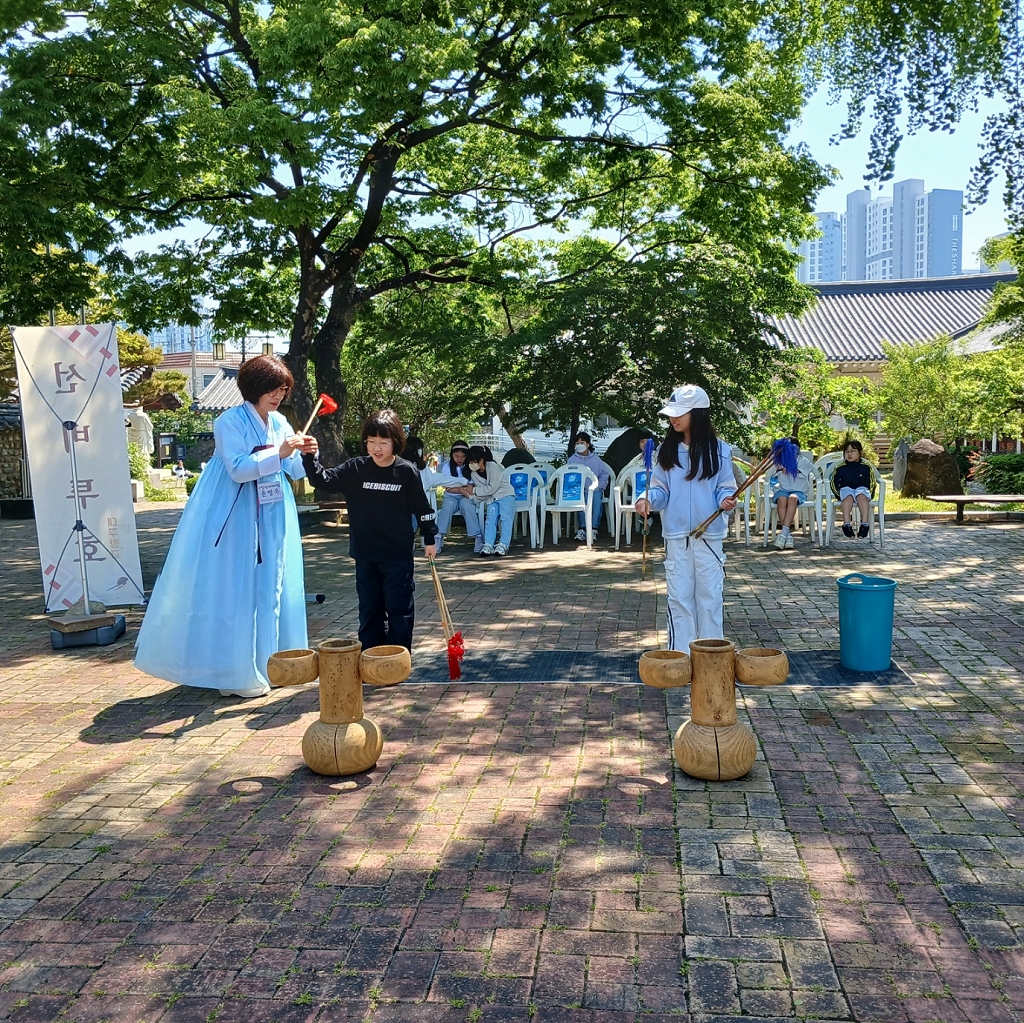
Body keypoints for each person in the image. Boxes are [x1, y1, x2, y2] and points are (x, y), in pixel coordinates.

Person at [134, 355, 316, 698]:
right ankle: (235, 671)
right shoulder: (229, 421)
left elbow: (293, 470)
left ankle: (275, 664)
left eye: (282, 390)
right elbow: (238, 469)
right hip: (236, 512)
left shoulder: (280, 422)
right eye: (272, 389)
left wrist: (305, 454)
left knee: (273, 584)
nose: (278, 396)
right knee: (237, 585)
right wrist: (279, 453)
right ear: (254, 388)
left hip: (274, 511)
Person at [301, 410, 437, 650]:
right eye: (371, 441)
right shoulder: (356, 468)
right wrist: (309, 457)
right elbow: (324, 480)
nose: (377, 448)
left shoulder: (406, 471)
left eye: (383, 442)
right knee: (369, 610)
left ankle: (397, 658)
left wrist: (429, 538)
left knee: (399, 609)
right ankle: (371, 657)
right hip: (365, 554)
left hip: (397, 556)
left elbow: (422, 508)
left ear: (395, 441)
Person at [634, 385, 737, 652]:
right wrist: (647, 500)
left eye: (680, 412)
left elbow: (725, 486)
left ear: (698, 414)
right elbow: (660, 489)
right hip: (677, 536)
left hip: (709, 536)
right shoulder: (666, 450)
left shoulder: (720, 450)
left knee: (710, 597)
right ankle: (680, 657)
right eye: (672, 413)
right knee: (679, 598)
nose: (673, 418)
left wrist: (726, 501)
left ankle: (713, 658)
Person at [404, 435, 470, 554]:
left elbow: (443, 479)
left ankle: (408, 541)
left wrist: (463, 481)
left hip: (415, 507)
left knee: (414, 512)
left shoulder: (423, 469)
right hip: (401, 507)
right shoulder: (400, 466)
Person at [434, 440, 484, 554]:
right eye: (456, 456)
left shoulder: (471, 466)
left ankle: (477, 535)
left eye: (462, 456)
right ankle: (438, 535)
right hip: (451, 496)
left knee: (467, 506)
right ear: (452, 455)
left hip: (467, 496)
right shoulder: (447, 467)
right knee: (447, 507)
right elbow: (448, 487)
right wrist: (462, 488)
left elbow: (473, 485)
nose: (459, 459)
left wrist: (459, 488)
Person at [466, 445, 516, 556]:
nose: (471, 464)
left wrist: (473, 490)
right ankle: (488, 544)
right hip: (491, 499)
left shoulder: (493, 466)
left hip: (506, 495)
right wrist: (472, 497)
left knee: (505, 519)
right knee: (490, 519)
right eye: (469, 462)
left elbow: (493, 487)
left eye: (473, 462)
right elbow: (484, 492)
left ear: (481, 460)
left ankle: (504, 544)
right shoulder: (474, 474)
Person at [566, 431, 612, 542]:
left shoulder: (596, 459)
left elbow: (604, 474)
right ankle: (582, 529)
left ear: (588, 444)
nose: (579, 445)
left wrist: (600, 485)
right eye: (577, 443)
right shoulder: (572, 460)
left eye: (582, 442)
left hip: (595, 489)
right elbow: (567, 475)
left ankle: (593, 529)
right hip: (579, 490)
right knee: (581, 501)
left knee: (596, 499)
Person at [768, 438, 811, 549]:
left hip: (799, 491)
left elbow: (800, 472)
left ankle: (783, 534)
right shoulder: (780, 461)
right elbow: (770, 473)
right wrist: (778, 466)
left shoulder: (804, 461)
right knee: (781, 499)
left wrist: (790, 469)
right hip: (782, 489)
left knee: (792, 498)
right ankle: (787, 535)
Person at [832, 439, 873, 538]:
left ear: (860, 452)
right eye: (847, 452)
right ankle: (846, 524)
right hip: (846, 489)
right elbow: (834, 482)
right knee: (848, 497)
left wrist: (870, 494)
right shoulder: (840, 467)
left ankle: (864, 524)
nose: (849, 454)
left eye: (852, 451)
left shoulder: (866, 467)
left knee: (862, 496)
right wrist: (838, 495)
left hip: (861, 489)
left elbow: (872, 482)